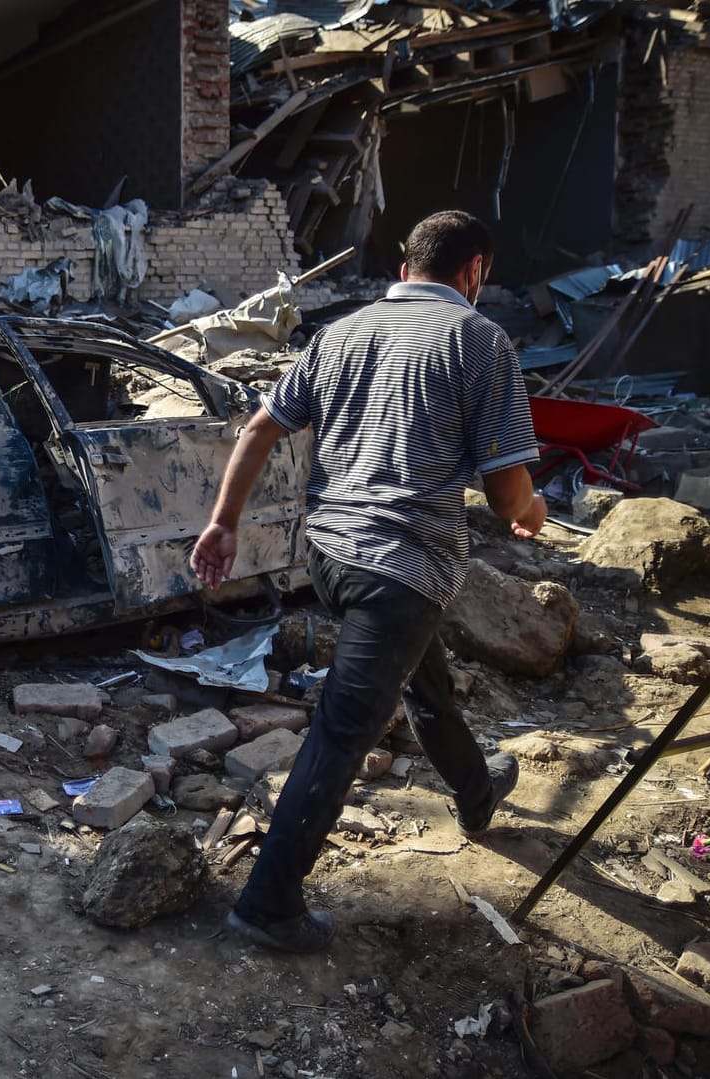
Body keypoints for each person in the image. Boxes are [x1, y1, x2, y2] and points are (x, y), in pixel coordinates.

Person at [190, 210, 545, 954]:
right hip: (401, 564)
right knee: (345, 729)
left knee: (423, 677)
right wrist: (531, 507)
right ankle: (268, 902)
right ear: (474, 270)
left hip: (331, 554)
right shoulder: (481, 341)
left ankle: (477, 795)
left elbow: (259, 428)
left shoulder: (341, 332)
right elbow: (510, 491)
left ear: (407, 264)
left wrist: (222, 522)